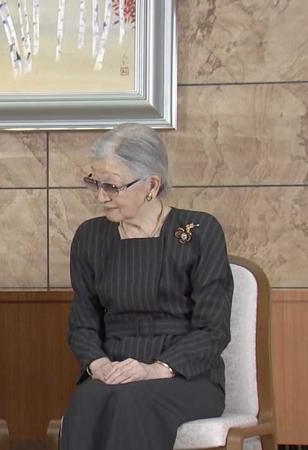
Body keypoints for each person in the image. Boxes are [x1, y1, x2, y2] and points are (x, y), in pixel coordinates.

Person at [62, 123, 233, 450]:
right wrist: (99, 365)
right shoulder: (91, 237)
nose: (101, 197)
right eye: (95, 184)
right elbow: (83, 322)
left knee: (131, 403)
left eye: (112, 187)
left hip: (185, 376)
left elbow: (213, 329)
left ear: (151, 185)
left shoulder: (200, 231)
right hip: (115, 370)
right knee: (87, 401)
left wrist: (156, 369)